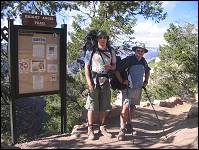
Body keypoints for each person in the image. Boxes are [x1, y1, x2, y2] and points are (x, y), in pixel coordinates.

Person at [84, 30, 116, 140]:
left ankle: (102, 127)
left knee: (104, 105)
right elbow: (86, 68)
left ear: (107, 39)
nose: (103, 39)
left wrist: (111, 68)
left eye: (104, 37)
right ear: (97, 39)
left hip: (106, 81)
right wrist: (89, 82)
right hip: (94, 80)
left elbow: (114, 66)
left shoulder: (111, 50)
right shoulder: (91, 51)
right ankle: (90, 129)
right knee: (92, 106)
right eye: (100, 37)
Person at [115, 43, 151, 141]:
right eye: (138, 51)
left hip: (138, 88)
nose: (139, 52)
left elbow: (147, 71)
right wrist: (122, 81)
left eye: (141, 51)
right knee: (126, 107)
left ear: (144, 52)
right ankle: (122, 129)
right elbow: (117, 70)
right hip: (128, 88)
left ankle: (128, 123)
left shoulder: (143, 61)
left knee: (133, 106)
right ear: (135, 51)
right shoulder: (129, 59)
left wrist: (146, 81)